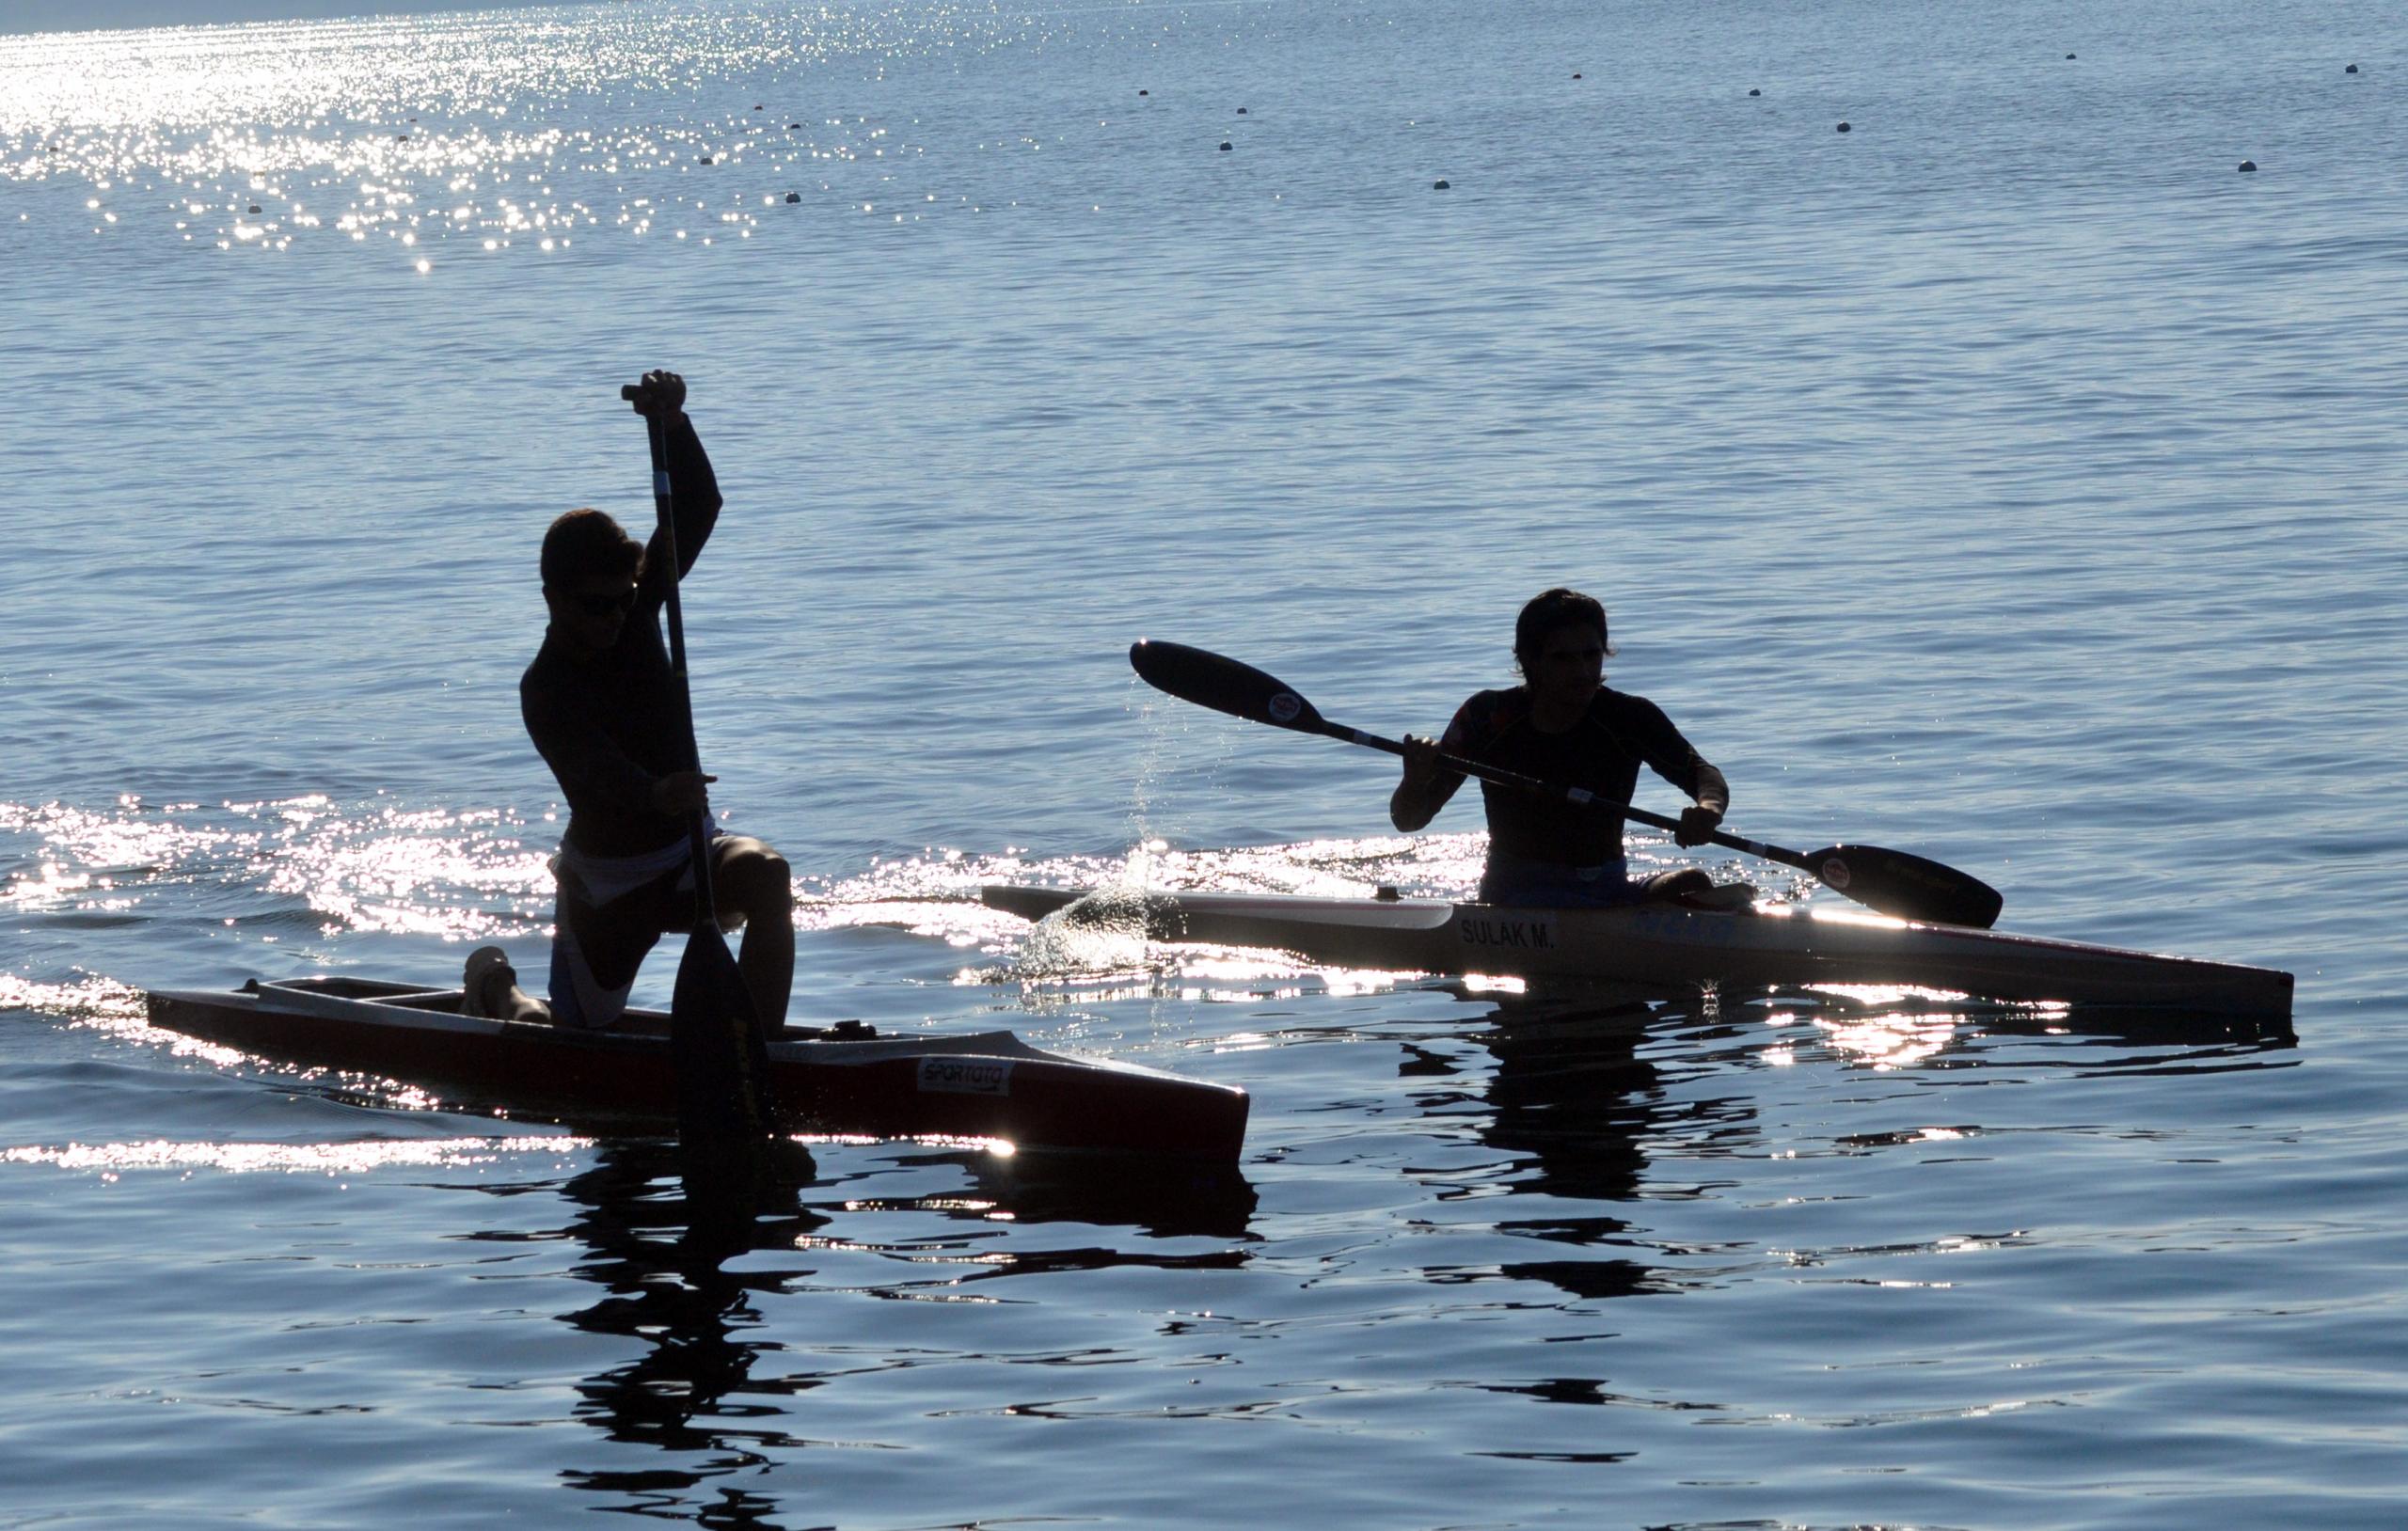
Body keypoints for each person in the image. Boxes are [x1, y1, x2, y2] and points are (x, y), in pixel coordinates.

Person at [462, 371, 794, 1031]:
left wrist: (673, 424)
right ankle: (495, 988)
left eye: (622, 599)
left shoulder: (640, 611)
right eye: (596, 606)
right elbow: (595, 770)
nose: (616, 617)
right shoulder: (545, 687)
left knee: (768, 875)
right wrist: (654, 793)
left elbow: (698, 507)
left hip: (688, 855)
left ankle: (758, 1055)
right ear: (554, 598)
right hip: (606, 886)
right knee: (557, 1042)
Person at [1389, 587, 1738, 908]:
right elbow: (1408, 820)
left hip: (1607, 892)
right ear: (1531, 661)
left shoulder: (1629, 717)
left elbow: (1702, 773)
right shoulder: (1487, 717)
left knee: (1693, 881)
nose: (1584, 672)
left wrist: (1708, 809)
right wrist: (1414, 781)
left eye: (1592, 655)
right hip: (1515, 899)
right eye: (1564, 659)